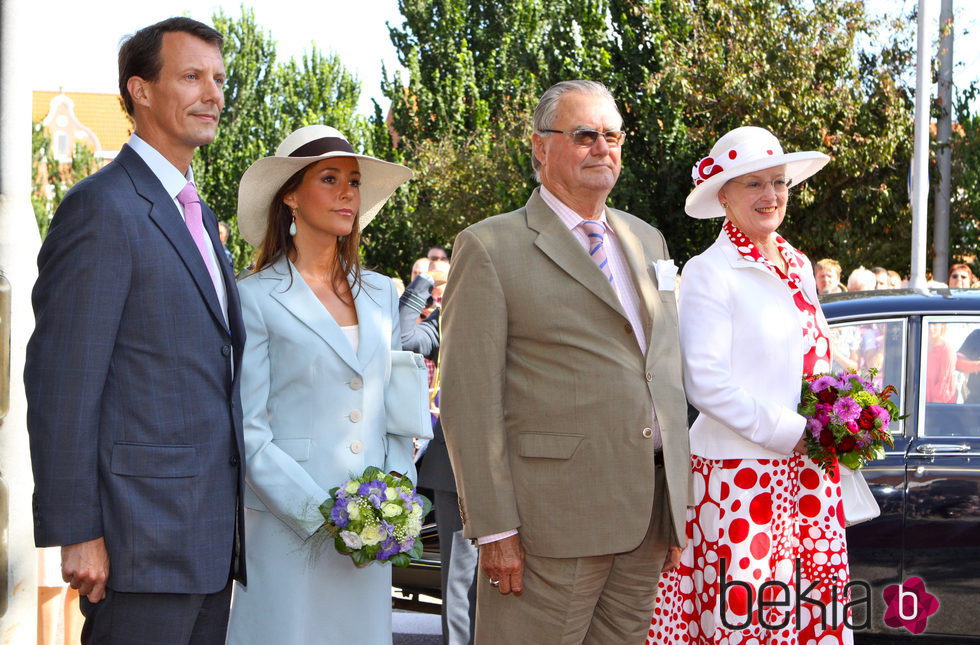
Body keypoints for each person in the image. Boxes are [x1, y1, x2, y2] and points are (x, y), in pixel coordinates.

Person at [440, 80, 690, 644]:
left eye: (613, 135)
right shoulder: (490, 247)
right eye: (584, 135)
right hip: (546, 527)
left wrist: (674, 504)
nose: (603, 148)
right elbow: (467, 399)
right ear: (540, 146)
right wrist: (494, 527)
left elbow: (660, 371)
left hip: (644, 517)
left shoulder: (647, 240)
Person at [24, 17, 246, 645]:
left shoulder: (198, 218)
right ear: (141, 91)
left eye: (219, 79)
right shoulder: (102, 207)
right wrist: (78, 529)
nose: (213, 93)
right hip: (137, 545)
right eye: (192, 77)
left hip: (205, 543)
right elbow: (63, 384)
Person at [650, 126, 850, 644]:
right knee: (747, 623)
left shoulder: (799, 263)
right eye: (753, 184)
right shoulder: (707, 271)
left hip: (808, 476)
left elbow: (811, 360)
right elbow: (704, 383)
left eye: (778, 182)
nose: (771, 195)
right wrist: (795, 432)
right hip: (740, 481)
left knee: (812, 621)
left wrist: (847, 409)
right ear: (724, 196)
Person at [226, 125, 415, 644]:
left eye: (353, 181)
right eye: (329, 179)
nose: (347, 193)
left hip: (375, 527)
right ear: (290, 195)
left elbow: (396, 409)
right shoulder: (255, 297)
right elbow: (249, 429)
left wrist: (396, 501)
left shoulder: (380, 291)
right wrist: (323, 514)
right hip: (289, 526)